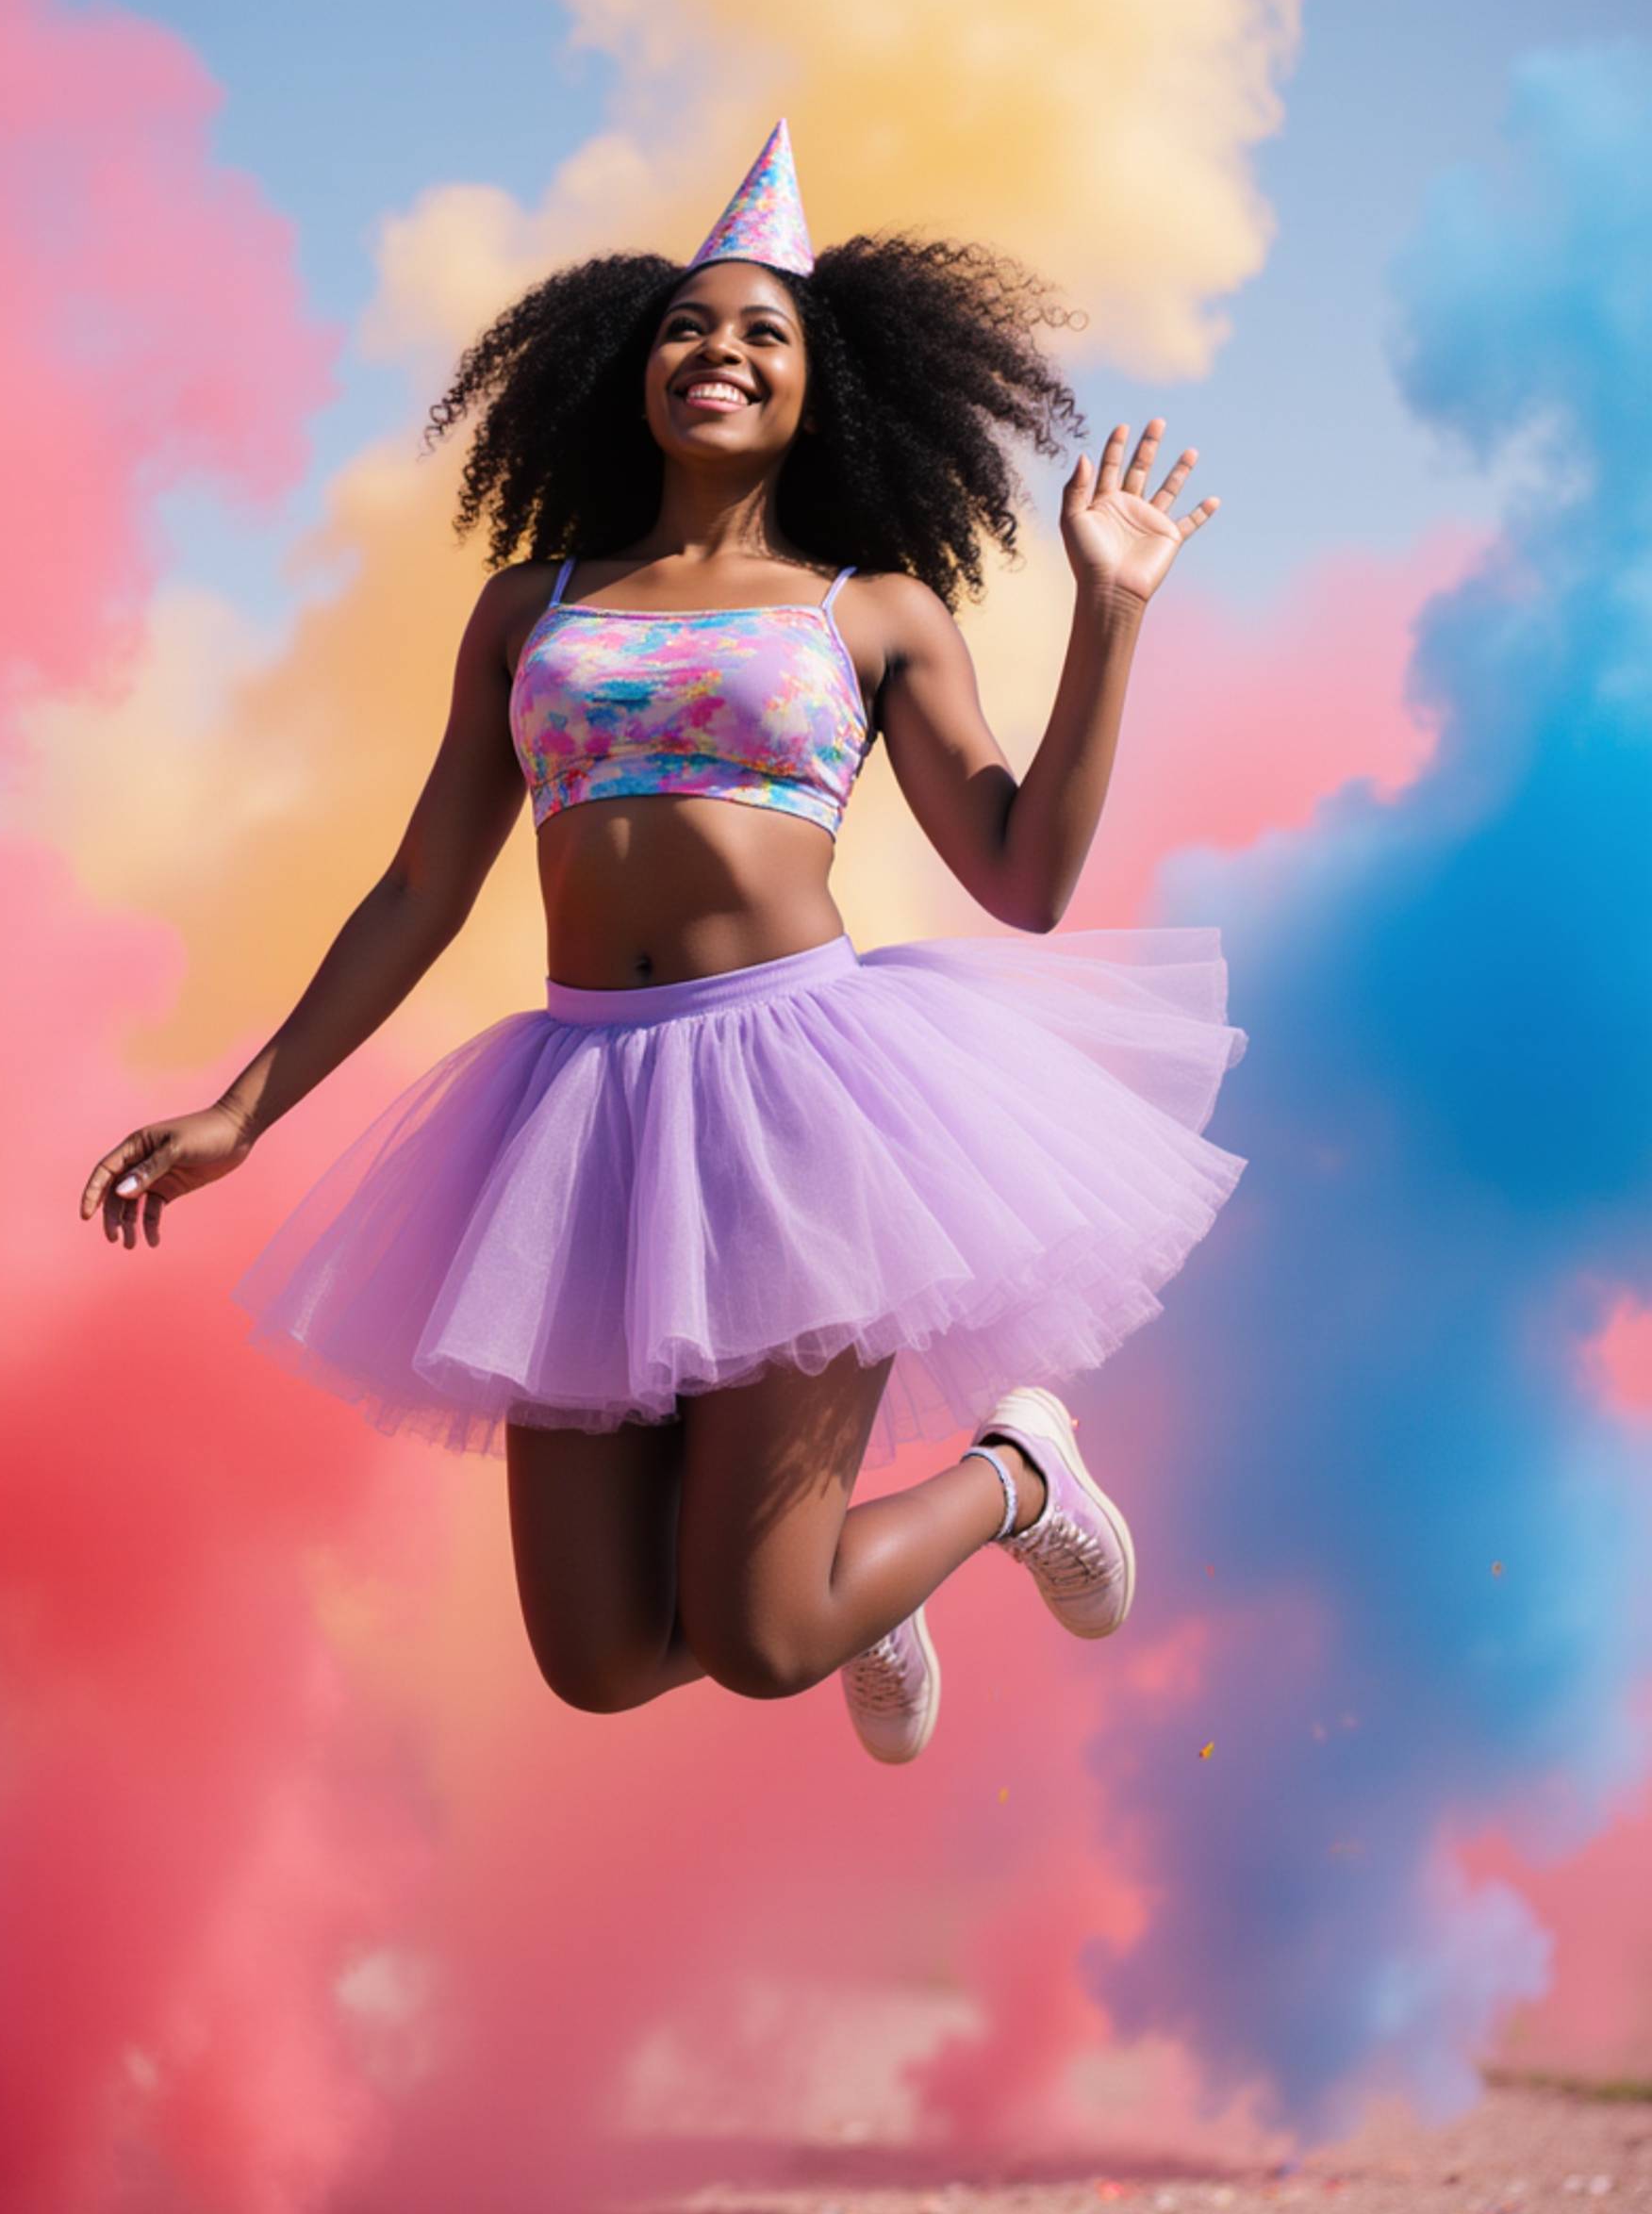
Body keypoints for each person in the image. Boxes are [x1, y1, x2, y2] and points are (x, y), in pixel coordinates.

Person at [79, 121, 1247, 1769]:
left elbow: (1026, 876)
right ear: (629, 374)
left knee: (765, 1640)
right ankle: (862, 1581)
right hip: (578, 1116)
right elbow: (421, 890)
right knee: (605, 1660)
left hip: (802, 1100)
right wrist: (242, 1109)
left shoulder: (874, 609)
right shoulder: (530, 605)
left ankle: (1014, 1481)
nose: (719, 348)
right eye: (689, 326)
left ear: (815, 390)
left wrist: (1110, 614)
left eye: (763, 331)